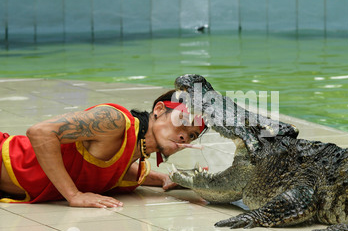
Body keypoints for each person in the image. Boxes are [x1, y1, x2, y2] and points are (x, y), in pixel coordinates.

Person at [0, 89, 206, 208]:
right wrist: (74, 195)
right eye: (182, 121)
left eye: (192, 135)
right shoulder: (115, 121)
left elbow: (113, 168)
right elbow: (41, 132)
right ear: (159, 110)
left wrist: (164, 179)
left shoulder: (136, 150)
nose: (184, 136)